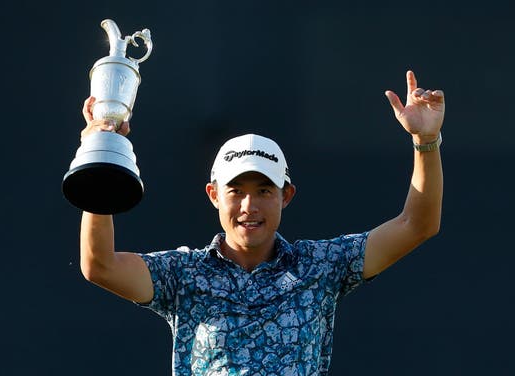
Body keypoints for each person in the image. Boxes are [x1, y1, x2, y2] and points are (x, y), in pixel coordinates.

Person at [78, 70, 444, 375]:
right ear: (214, 195)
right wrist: (100, 158)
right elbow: (100, 265)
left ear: (286, 196)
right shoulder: (183, 275)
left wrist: (426, 141)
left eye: (265, 191)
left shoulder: (320, 266)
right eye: (235, 190)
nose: (249, 206)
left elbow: (416, 225)